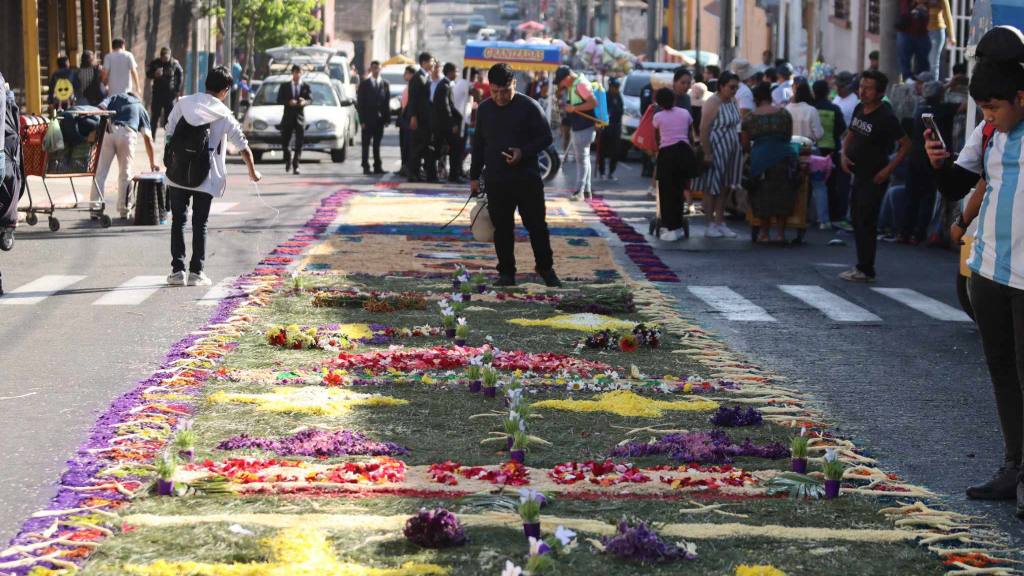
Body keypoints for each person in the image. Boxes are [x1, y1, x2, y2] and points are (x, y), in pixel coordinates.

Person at [926, 55, 1024, 519]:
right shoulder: (988, 134)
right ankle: (1013, 467)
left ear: (1021, 98)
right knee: (1002, 372)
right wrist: (938, 163)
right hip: (988, 270)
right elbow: (956, 184)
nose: (988, 117)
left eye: (994, 108)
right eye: (982, 109)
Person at [164, 66, 261, 287]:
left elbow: (169, 131)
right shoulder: (223, 114)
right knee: (200, 223)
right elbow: (243, 146)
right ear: (225, 90)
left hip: (177, 172)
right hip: (205, 176)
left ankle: (177, 271)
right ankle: (197, 272)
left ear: (206, 84)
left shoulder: (184, 102)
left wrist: (172, 157)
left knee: (178, 220)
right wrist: (253, 172)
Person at [469, 63, 560, 288]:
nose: (500, 97)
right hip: (496, 180)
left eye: (505, 91)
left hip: (526, 179)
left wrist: (523, 152)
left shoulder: (529, 106)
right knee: (502, 228)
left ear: (514, 85)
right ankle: (506, 273)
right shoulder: (484, 109)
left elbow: (546, 138)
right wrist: (473, 176)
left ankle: (545, 268)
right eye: (495, 91)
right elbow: (478, 144)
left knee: (537, 225)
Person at [839, 70, 910, 282]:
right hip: (857, 173)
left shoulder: (886, 116)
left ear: (879, 92)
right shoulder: (860, 108)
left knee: (866, 221)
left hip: (874, 176)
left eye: (868, 88)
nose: (863, 92)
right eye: (861, 87)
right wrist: (844, 154)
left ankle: (866, 268)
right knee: (857, 220)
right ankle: (861, 265)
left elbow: (906, 145)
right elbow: (850, 134)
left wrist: (887, 170)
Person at [742, 82, 797, 243]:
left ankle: (764, 233)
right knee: (783, 195)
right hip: (784, 157)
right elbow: (788, 137)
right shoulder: (784, 114)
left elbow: (745, 144)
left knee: (762, 196)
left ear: (756, 99)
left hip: (760, 159)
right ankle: (780, 234)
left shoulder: (750, 117)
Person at [91, 91, 158, 220]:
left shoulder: (116, 96)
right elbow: (148, 138)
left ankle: (95, 208)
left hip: (108, 131)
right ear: (137, 98)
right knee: (125, 174)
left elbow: (100, 108)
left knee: (100, 173)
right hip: (127, 134)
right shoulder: (140, 107)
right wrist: (152, 162)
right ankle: (124, 210)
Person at [695, 71, 744, 238]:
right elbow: (703, 128)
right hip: (716, 147)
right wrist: (707, 151)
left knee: (726, 186)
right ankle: (709, 224)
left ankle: (720, 222)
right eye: (731, 87)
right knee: (711, 187)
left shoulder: (732, 101)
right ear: (721, 86)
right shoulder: (712, 102)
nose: (734, 90)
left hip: (731, 147)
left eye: (736, 87)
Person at [901, 80, 948, 243]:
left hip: (914, 157)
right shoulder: (943, 110)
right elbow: (965, 106)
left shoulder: (918, 110)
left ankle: (904, 232)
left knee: (910, 196)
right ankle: (918, 233)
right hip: (931, 159)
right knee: (927, 197)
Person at [652, 87, 696, 241]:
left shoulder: (658, 117)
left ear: (659, 103)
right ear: (675, 100)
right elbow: (690, 134)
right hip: (684, 153)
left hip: (667, 155)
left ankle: (669, 226)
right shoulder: (685, 113)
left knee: (666, 192)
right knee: (680, 189)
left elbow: (657, 138)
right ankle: (678, 225)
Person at [554, 65, 597, 200]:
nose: (561, 85)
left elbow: (592, 103)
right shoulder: (576, 84)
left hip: (584, 127)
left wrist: (574, 108)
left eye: (561, 81)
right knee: (585, 158)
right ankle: (586, 191)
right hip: (582, 126)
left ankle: (579, 191)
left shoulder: (580, 85)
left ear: (567, 78)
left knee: (582, 159)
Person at [812, 80, 846, 229]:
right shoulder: (834, 108)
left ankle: (813, 215)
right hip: (831, 151)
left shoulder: (811, 108)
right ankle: (833, 216)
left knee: (813, 184)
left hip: (814, 150)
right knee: (831, 185)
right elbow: (842, 128)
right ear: (827, 92)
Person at [406, 52, 437, 182]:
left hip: (427, 119)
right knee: (417, 147)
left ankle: (421, 173)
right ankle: (413, 173)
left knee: (425, 146)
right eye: (431, 61)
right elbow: (412, 99)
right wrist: (413, 116)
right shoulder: (417, 77)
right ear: (424, 62)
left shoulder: (427, 76)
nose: (433, 64)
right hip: (418, 118)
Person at [356, 60, 391, 175]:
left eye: (378, 68)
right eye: (374, 68)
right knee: (366, 144)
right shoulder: (364, 84)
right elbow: (360, 104)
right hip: (367, 119)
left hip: (379, 120)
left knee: (377, 144)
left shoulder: (385, 84)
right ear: (370, 69)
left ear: (380, 69)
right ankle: (365, 165)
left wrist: (387, 119)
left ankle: (378, 166)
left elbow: (386, 103)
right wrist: (361, 121)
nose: (376, 70)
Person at [275, 64, 310, 175]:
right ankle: (288, 158)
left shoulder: (305, 86)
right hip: (288, 117)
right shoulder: (285, 86)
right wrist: (288, 102)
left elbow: (310, 99)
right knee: (285, 142)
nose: (297, 75)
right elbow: (279, 99)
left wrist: (304, 102)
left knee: (299, 143)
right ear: (292, 73)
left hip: (300, 117)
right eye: (296, 72)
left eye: (299, 72)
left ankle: (296, 165)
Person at [433, 62, 464, 182]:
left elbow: (450, 106)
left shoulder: (448, 84)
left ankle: (454, 175)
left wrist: (459, 117)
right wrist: (453, 124)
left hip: (445, 125)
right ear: (450, 72)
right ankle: (452, 176)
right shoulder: (444, 86)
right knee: (445, 150)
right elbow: (445, 108)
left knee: (451, 149)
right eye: (456, 71)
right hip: (443, 126)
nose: (457, 74)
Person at [145, 47, 183, 138]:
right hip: (157, 94)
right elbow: (148, 74)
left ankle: (168, 139)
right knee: (155, 117)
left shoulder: (175, 64)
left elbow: (180, 77)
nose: (165, 60)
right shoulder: (155, 63)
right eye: (163, 58)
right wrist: (154, 74)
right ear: (161, 56)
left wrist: (177, 91)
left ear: (170, 56)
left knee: (169, 119)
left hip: (170, 96)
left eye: (167, 57)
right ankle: (152, 137)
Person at [597, 77, 623, 181]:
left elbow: (620, 111)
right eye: (614, 87)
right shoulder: (604, 96)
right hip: (605, 127)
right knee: (602, 151)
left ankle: (611, 172)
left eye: (617, 87)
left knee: (615, 152)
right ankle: (602, 172)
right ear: (610, 87)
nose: (616, 89)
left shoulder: (619, 96)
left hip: (616, 127)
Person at [897, 1, 932, 80]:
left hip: (921, 33)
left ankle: (921, 84)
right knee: (904, 63)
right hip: (905, 32)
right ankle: (908, 82)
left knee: (923, 64)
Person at [927, 0, 955, 78]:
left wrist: (951, 36)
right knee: (922, 62)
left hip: (936, 31)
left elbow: (947, 16)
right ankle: (922, 87)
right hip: (921, 32)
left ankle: (933, 87)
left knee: (933, 63)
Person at [397, 65, 416, 177]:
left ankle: (407, 167)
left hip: (408, 120)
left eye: (406, 73)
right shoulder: (408, 86)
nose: (404, 75)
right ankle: (404, 167)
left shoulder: (412, 86)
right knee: (404, 146)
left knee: (408, 146)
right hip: (404, 120)